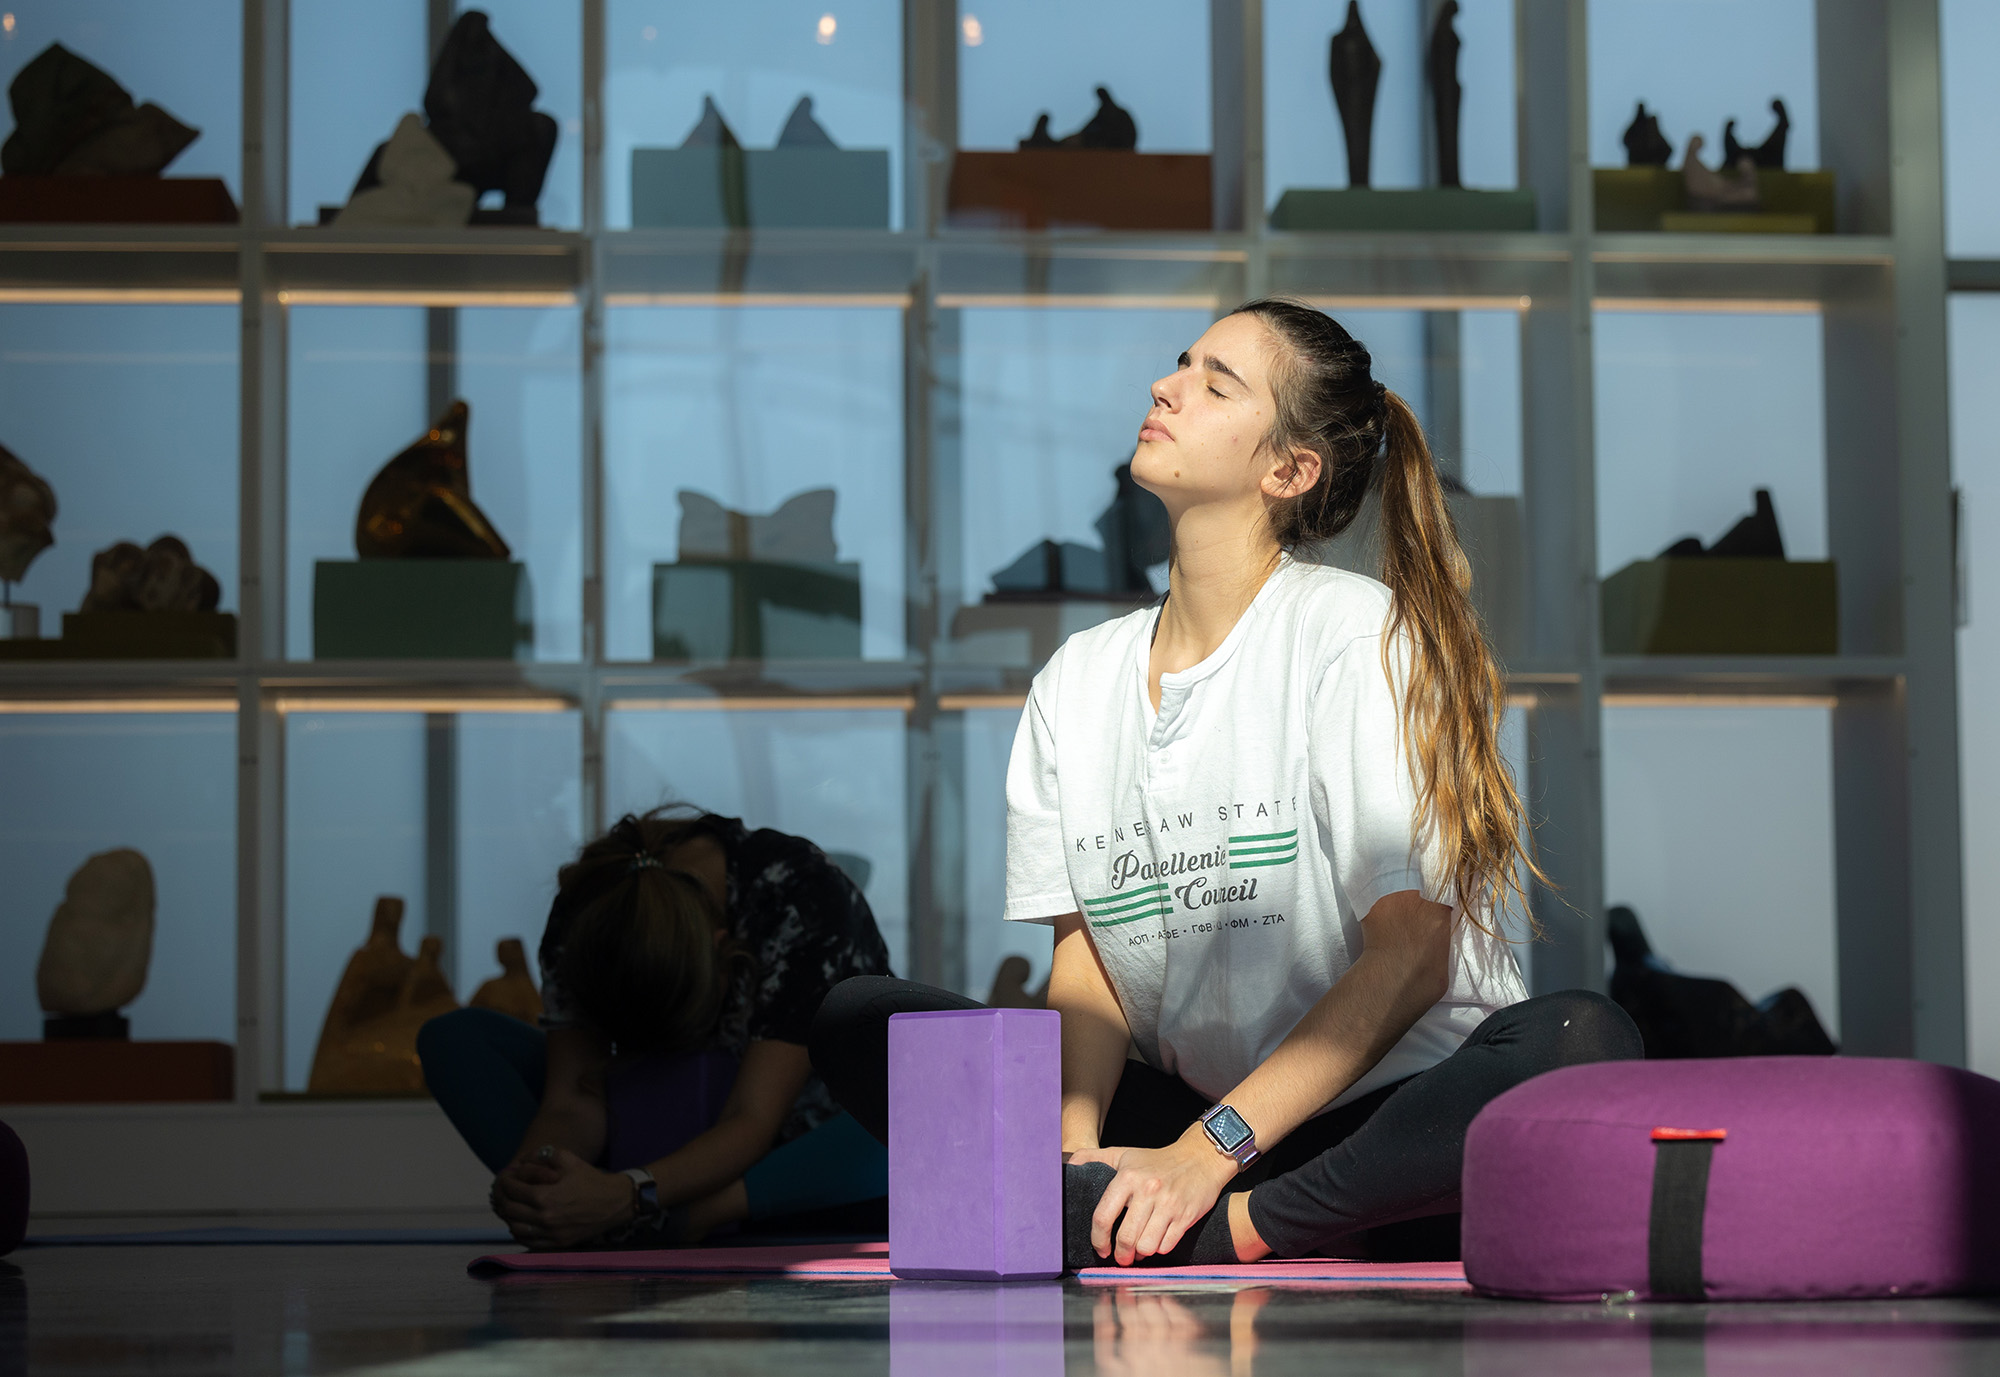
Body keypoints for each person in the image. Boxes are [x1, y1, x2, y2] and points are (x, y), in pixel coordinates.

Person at [811, 299, 1642, 1269]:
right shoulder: (1075, 681)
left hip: (1385, 1124)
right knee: (861, 1020)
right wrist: (1072, 1155)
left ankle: (1232, 1228)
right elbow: (1085, 969)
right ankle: (1110, 1208)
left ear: (1288, 470)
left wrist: (1205, 1160)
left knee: (1580, 1040)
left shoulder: (1353, 635)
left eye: (1216, 384)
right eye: (1180, 365)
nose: (1165, 388)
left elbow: (1412, 957)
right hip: (1187, 1127)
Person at [420, 807, 893, 1249]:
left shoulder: (803, 896)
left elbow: (751, 1116)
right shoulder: (586, 911)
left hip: (794, 1150)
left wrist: (632, 1193)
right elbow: (575, 1097)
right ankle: (587, 1206)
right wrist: (537, 1179)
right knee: (457, 1040)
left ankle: (697, 1212)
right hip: (643, 1123)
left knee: (914, 1115)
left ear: (723, 948)